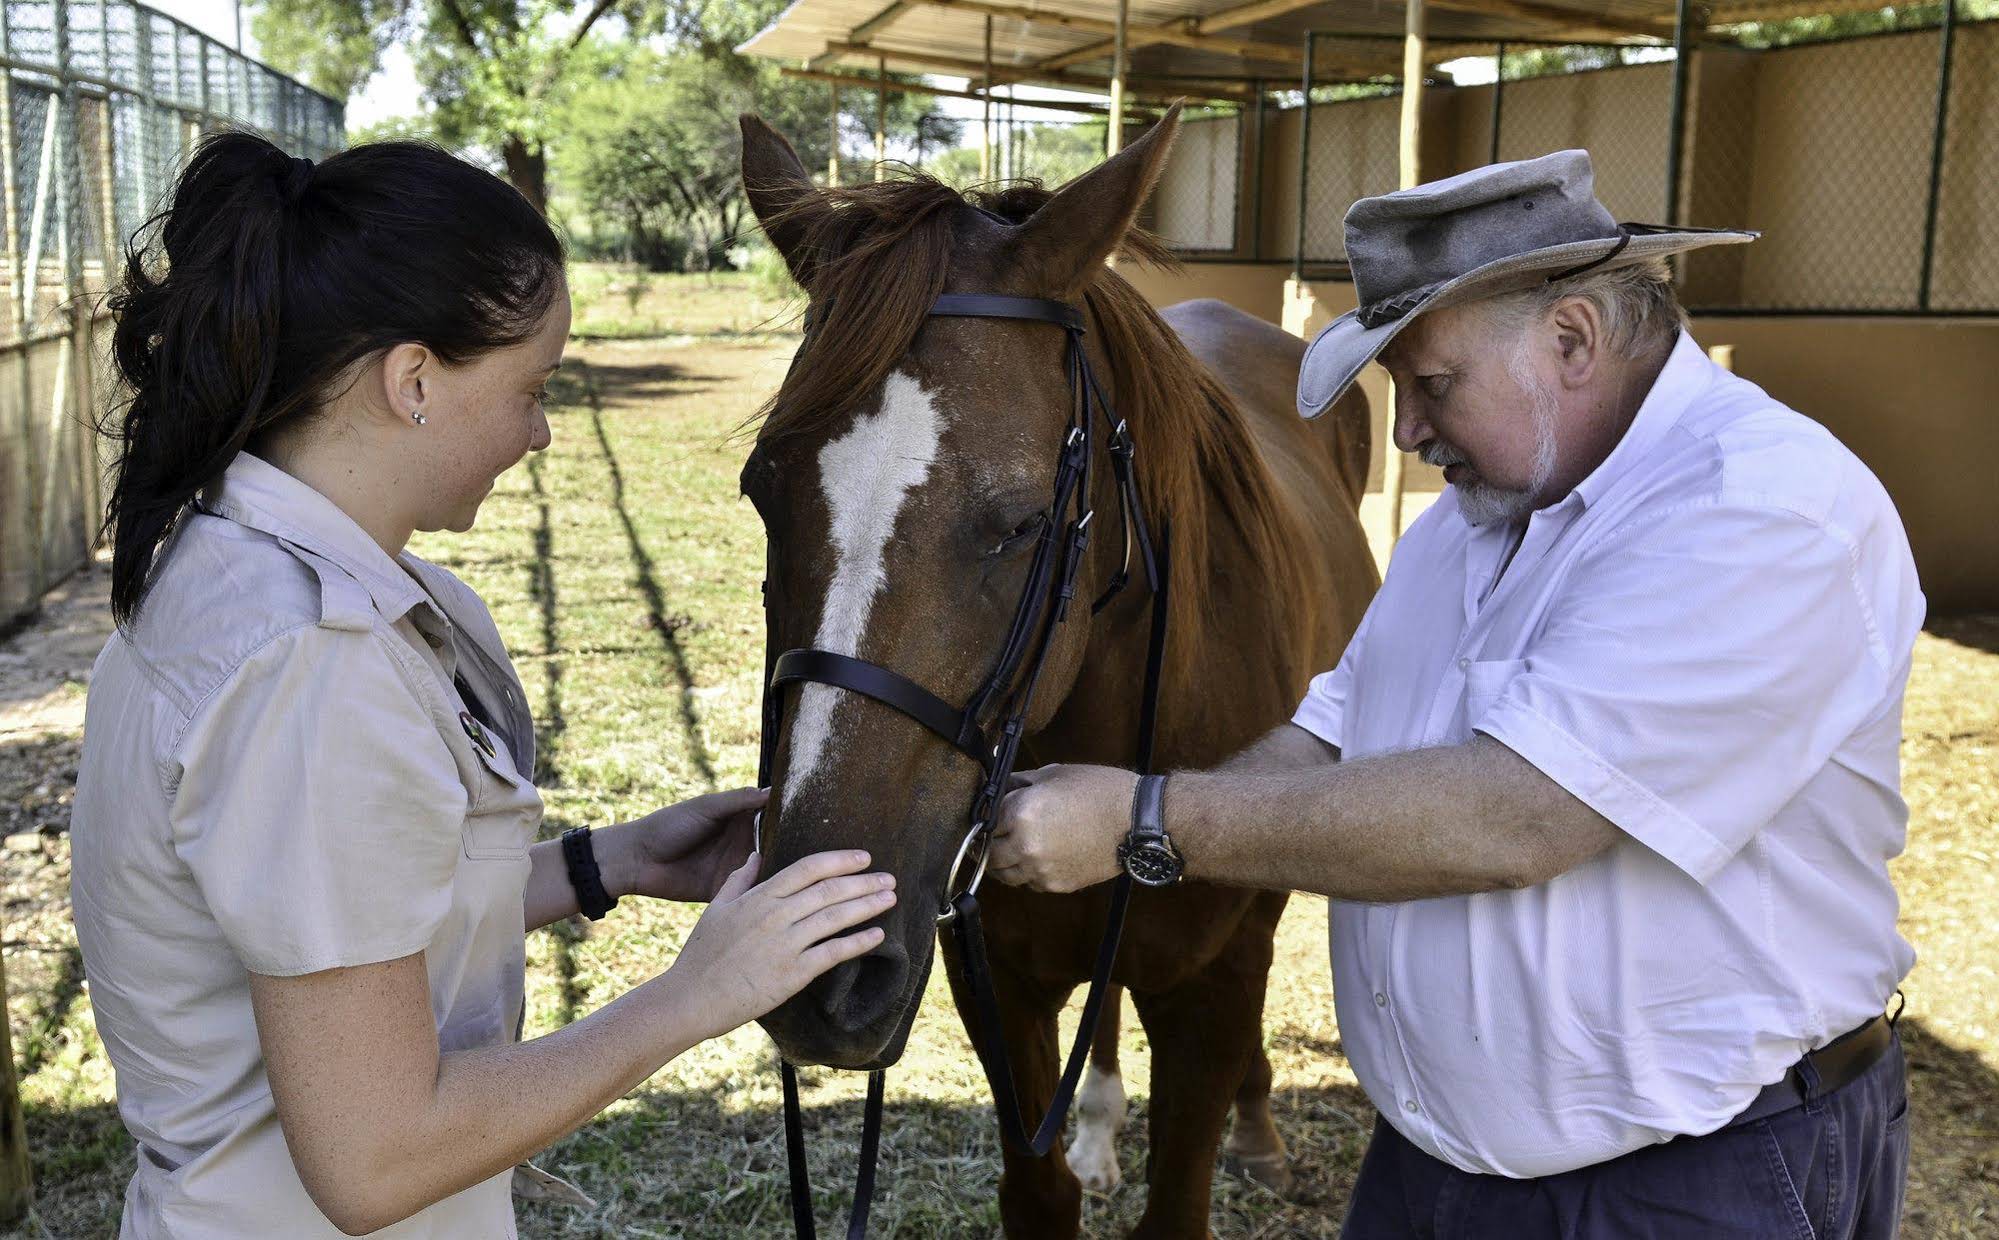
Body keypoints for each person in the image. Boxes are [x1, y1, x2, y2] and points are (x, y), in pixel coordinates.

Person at [989, 150, 1923, 1238]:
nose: (1404, 437)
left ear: (1569, 339)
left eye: (1430, 386)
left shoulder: (1762, 513)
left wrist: (1145, 820)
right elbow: (1329, 733)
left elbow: (1520, 814)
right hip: (1435, 1166)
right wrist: (1125, 831)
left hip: (1691, 1178)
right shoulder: (1467, 529)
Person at [68, 131, 897, 1238]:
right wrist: (696, 995)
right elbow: (377, 1158)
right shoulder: (308, 668)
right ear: (413, 380)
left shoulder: (258, 575)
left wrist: (608, 863)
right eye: (531, 386)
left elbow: (341, 908)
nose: (543, 432)